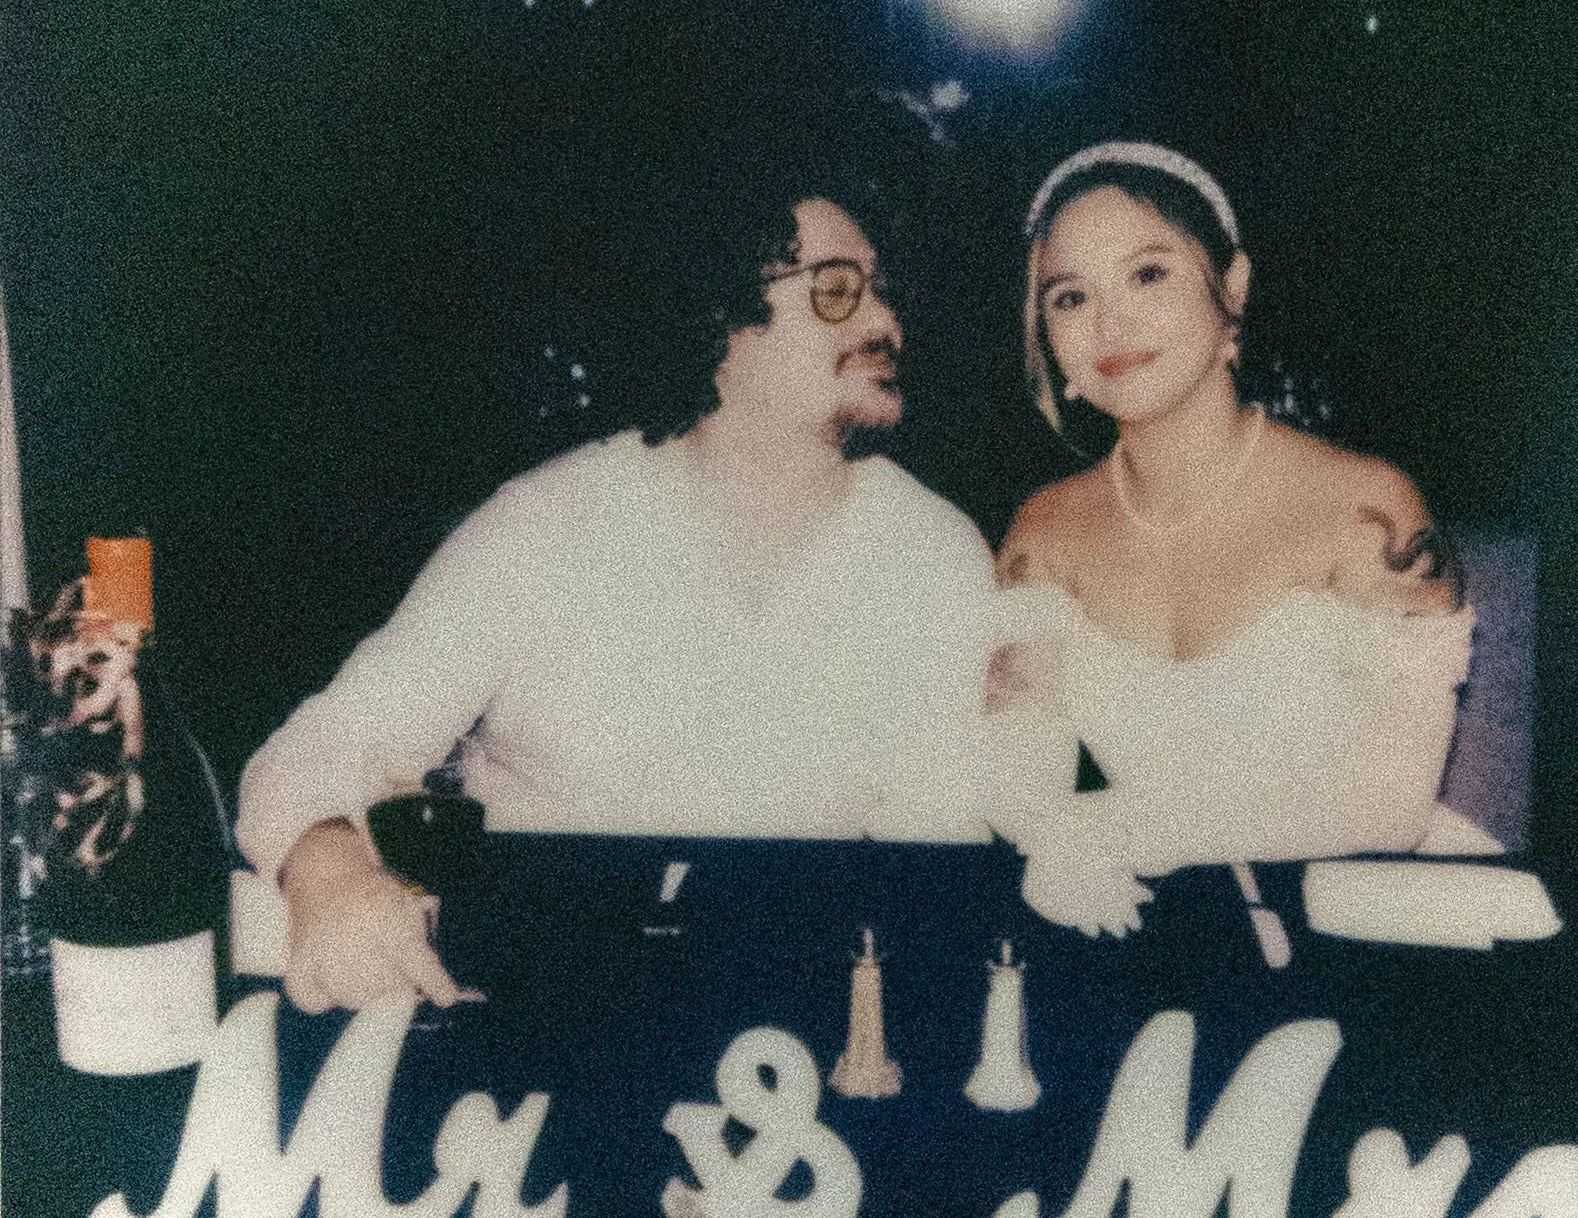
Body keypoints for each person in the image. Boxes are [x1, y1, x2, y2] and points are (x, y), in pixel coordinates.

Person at [238, 160, 1046, 1011]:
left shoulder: (931, 554)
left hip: (803, 1019)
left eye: (881, 292)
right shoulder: (547, 524)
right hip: (540, 1013)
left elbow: (931, 865)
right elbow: (319, 751)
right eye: (838, 290)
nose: (885, 322)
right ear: (724, 318)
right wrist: (331, 876)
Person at [992, 141, 1474, 929]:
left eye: (1148, 275)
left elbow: (1388, 804)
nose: (1110, 321)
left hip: (1367, 919)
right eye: (1070, 297)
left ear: (1233, 287)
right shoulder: (1042, 532)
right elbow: (1016, 769)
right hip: (1142, 916)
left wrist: (1106, 830)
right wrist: (1052, 834)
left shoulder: (1369, 508)